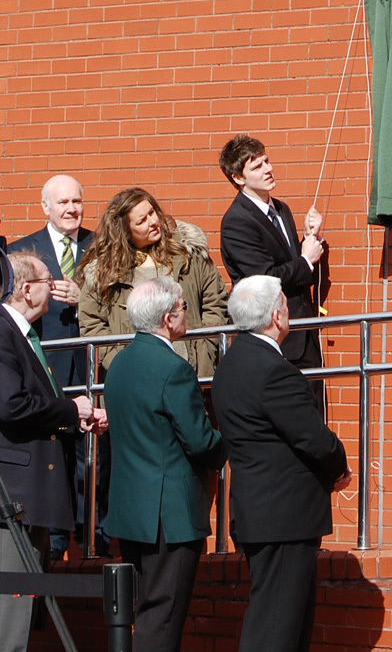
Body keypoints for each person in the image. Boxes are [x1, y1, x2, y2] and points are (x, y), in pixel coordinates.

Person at [212, 275, 352, 652]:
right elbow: (313, 437)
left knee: (284, 624)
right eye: (286, 305)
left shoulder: (231, 362)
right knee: (276, 627)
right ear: (277, 315)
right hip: (284, 516)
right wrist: (340, 468)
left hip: (262, 512)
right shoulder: (273, 370)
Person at [102, 277, 225, 652]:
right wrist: (229, 444)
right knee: (164, 616)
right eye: (184, 307)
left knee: (145, 611)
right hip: (169, 517)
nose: (186, 313)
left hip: (130, 511)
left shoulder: (119, 364)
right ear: (169, 318)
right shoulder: (174, 368)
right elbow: (200, 440)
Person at [0, 251, 105, 652]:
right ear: (27, 290)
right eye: (47, 280)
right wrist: (69, 409)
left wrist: (73, 418)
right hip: (15, 500)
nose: (55, 287)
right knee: (10, 617)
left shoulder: (25, 334)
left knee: (24, 614)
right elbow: (11, 406)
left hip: (31, 499)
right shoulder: (3, 331)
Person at [9, 175, 109, 559]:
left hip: (89, 366)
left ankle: (91, 539)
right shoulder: (24, 251)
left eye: (77, 201)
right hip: (45, 367)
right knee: (52, 453)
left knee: (92, 456)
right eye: (63, 203)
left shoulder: (101, 248)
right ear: (45, 207)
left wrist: (85, 298)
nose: (72, 209)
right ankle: (52, 542)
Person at [218, 134, 326, 413]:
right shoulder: (237, 221)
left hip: (303, 333)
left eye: (267, 161)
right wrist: (305, 261)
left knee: (311, 412)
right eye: (257, 167)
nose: (268, 169)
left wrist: (309, 239)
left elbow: (294, 265)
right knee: (288, 416)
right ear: (238, 178)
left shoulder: (281, 209)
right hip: (272, 336)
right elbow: (264, 277)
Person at [77, 188, 229, 379]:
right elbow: (92, 325)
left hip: (192, 369)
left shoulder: (187, 252)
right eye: (141, 221)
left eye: (152, 212)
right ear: (125, 231)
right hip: (136, 378)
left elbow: (215, 300)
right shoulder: (104, 271)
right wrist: (122, 362)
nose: (153, 222)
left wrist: (205, 346)